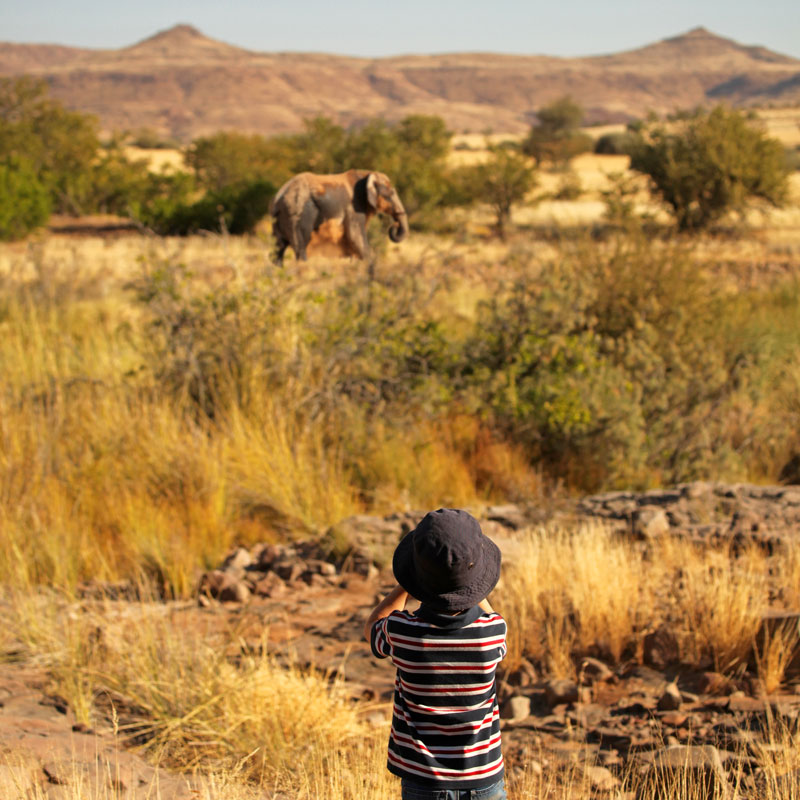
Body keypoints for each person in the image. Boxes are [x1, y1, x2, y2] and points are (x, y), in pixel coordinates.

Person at [363, 508, 507, 800]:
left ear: (418, 577)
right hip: (483, 778)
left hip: (423, 779)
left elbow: (372, 627)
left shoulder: (402, 631)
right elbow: (491, 614)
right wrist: (472, 582)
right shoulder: (492, 633)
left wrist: (407, 583)